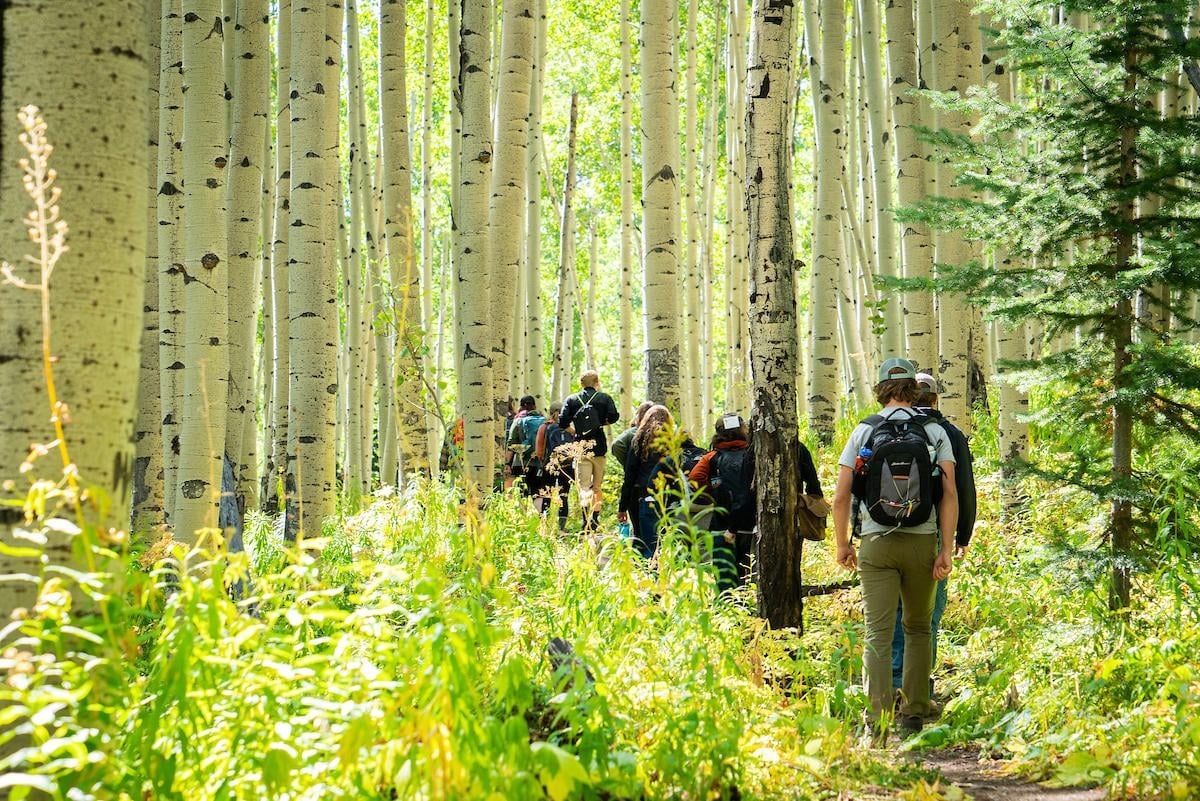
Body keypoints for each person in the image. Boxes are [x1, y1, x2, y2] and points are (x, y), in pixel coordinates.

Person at [832, 357, 957, 737]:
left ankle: (878, 721)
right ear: (914, 391)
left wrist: (842, 545)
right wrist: (946, 549)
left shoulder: (865, 431)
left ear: (882, 388)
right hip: (922, 540)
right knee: (918, 627)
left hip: (875, 543)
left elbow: (840, 497)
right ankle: (915, 713)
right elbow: (949, 494)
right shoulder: (934, 430)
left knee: (878, 632)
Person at [892, 372, 977, 694]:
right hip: (934, 532)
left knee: (896, 609)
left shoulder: (889, 427)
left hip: (888, 528)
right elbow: (963, 489)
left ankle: (894, 681)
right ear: (936, 398)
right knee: (927, 612)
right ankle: (919, 684)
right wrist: (962, 535)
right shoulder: (949, 433)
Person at [559, 370, 621, 533]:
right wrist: (599, 423)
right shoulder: (604, 398)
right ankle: (595, 519)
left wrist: (576, 432)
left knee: (584, 486)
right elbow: (614, 416)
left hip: (581, 447)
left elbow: (562, 421)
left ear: (581, 384)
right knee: (597, 486)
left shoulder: (572, 400)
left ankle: (585, 520)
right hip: (599, 447)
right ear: (596, 382)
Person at [617, 405, 677, 559]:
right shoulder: (672, 440)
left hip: (641, 494)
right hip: (667, 495)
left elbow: (630, 475)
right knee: (664, 537)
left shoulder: (639, 439)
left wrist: (622, 507)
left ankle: (643, 572)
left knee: (641, 536)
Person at [531, 402, 574, 529]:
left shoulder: (545, 427)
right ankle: (562, 527)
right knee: (563, 496)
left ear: (550, 412)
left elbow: (539, 450)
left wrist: (542, 461)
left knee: (546, 495)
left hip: (549, 466)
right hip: (566, 468)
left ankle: (545, 525)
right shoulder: (569, 428)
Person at [507, 395, 546, 496]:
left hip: (520, 462)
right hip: (538, 462)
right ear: (535, 406)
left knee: (521, 493)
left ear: (520, 407)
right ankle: (537, 512)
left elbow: (511, 444)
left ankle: (523, 511)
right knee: (537, 493)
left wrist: (507, 463)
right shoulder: (544, 421)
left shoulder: (518, 421)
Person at [610, 401, 654, 470]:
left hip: (635, 475)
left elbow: (617, 444)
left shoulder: (631, 433)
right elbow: (617, 445)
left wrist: (628, 464)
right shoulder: (633, 432)